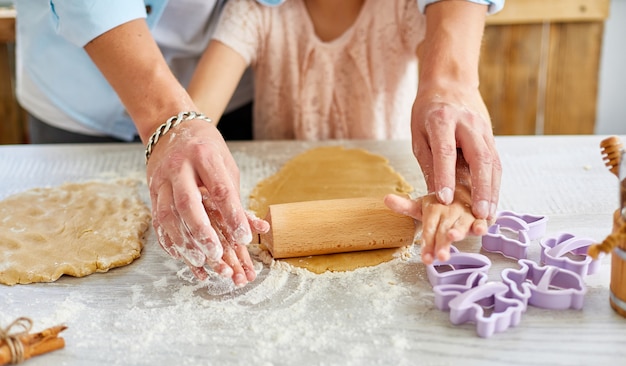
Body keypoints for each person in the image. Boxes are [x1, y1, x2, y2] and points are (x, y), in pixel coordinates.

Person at [14, 0, 503, 287]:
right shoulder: (257, 15)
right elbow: (194, 117)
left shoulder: (395, 12)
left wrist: (453, 76)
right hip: (83, 78)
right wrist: (175, 124)